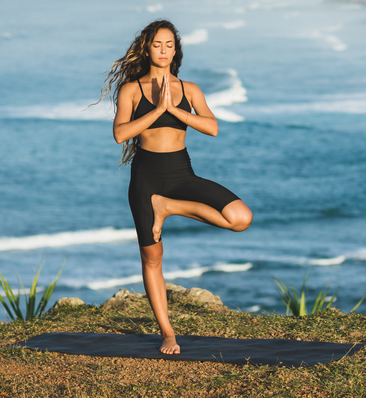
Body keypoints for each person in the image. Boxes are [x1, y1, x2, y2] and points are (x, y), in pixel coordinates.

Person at [100, 20, 253, 354]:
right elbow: (120, 134)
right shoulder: (131, 90)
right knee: (152, 257)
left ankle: (167, 206)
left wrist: (174, 110)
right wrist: (157, 111)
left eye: (169, 45)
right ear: (147, 48)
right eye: (157, 44)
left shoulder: (190, 89)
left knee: (241, 217)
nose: (163, 50)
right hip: (146, 178)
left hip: (181, 173)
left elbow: (212, 127)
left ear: (176, 50)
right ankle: (167, 333)